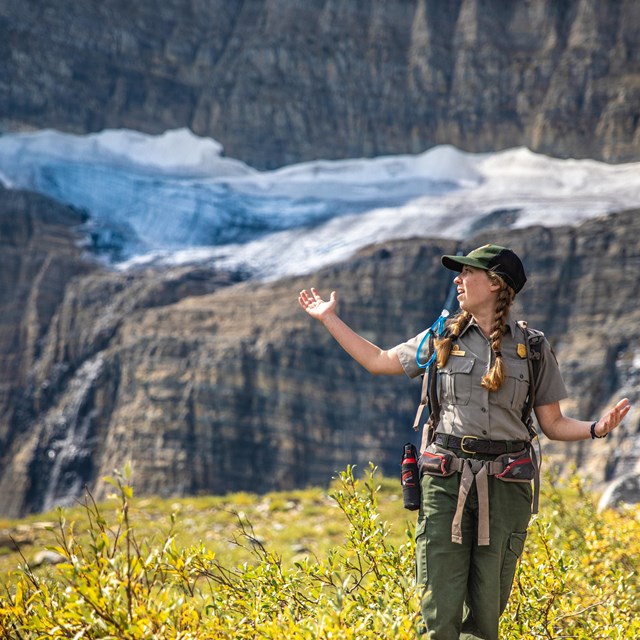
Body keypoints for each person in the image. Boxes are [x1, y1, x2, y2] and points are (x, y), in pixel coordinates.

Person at [298, 243, 631, 640]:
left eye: (466, 273)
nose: (457, 280)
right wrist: (329, 319)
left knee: (486, 616)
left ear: (494, 283)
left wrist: (596, 428)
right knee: (438, 613)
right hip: (445, 482)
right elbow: (379, 361)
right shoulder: (442, 335)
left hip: (507, 488)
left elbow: (553, 424)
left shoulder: (534, 348)